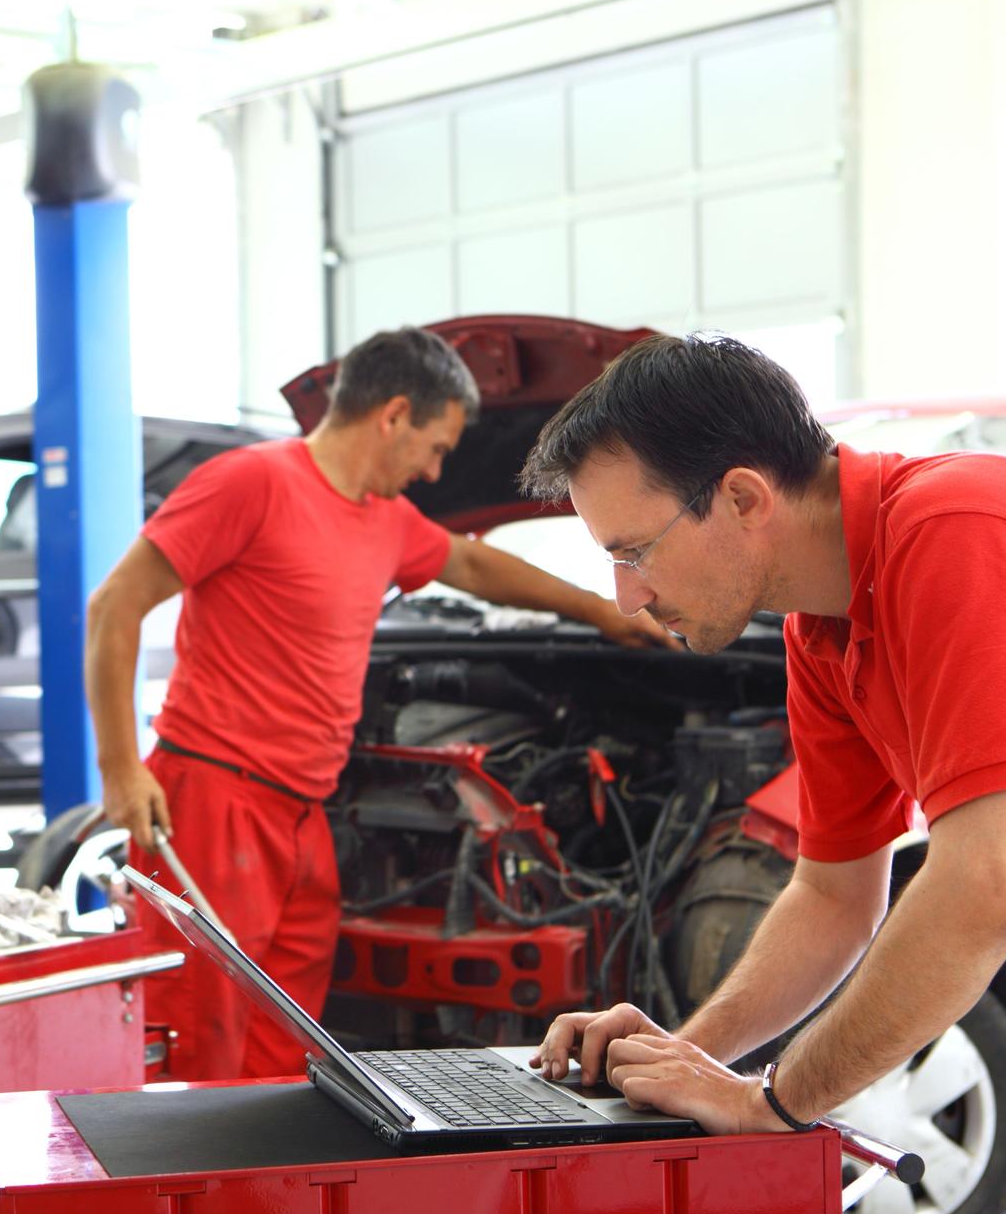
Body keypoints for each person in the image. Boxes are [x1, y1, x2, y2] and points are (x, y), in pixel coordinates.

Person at [518, 334, 1006, 1214]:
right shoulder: (824, 629)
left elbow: (991, 889)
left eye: (635, 551)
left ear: (745, 498)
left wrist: (774, 1104)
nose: (626, 596)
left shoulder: (957, 534)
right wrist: (688, 1056)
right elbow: (836, 893)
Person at [85, 326, 676, 1083]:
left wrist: (603, 610)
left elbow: (468, 561)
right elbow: (114, 607)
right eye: (435, 447)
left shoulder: (383, 516)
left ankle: (264, 1190)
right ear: (394, 414)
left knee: (281, 1039)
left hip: (306, 813)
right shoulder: (251, 483)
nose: (435, 472)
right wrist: (119, 768)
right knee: (200, 1034)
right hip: (216, 800)